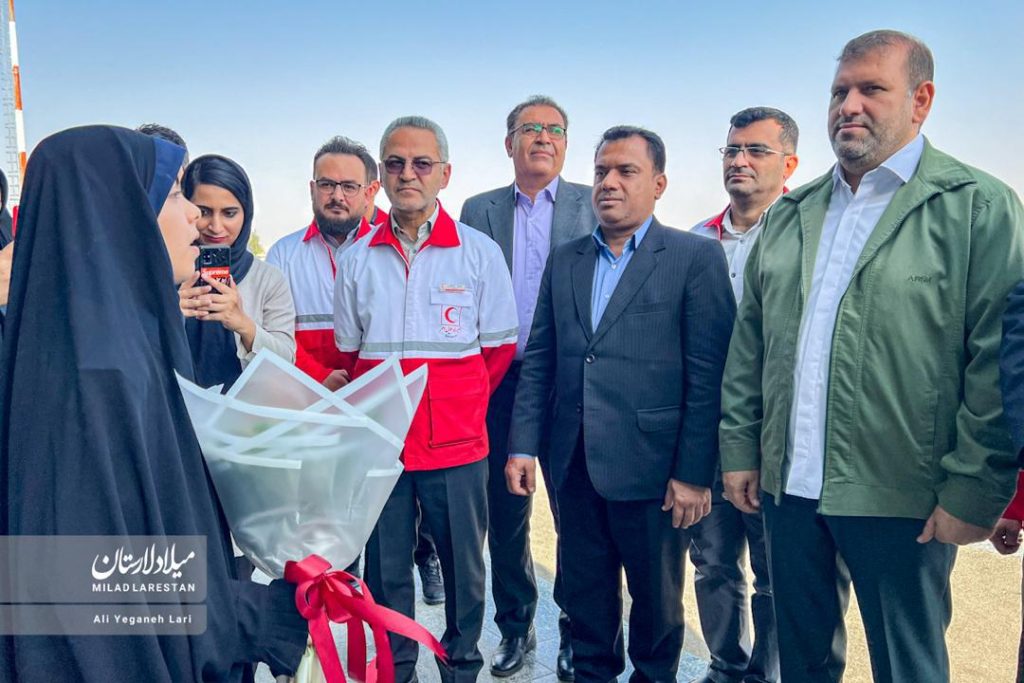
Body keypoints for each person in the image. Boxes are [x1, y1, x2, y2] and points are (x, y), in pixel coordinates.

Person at [719, 30, 1024, 683]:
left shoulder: (977, 206)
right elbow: (751, 345)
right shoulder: (792, 215)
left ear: (921, 100)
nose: (848, 105)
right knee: (801, 663)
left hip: (903, 495)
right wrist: (741, 447)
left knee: (908, 666)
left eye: (871, 89)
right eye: (839, 91)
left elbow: (996, 364)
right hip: (789, 489)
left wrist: (974, 489)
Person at [0, 125, 307, 681]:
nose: (195, 217)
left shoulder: (103, 342)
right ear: (117, 214)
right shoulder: (99, 375)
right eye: (172, 196)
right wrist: (254, 615)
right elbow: (91, 585)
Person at [507, 126, 735, 683]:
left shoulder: (694, 257)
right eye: (601, 171)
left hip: (654, 473)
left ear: (658, 184)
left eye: (626, 171)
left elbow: (709, 377)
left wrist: (694, 474)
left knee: (655, 607)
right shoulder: (567, 260)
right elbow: (541, 359)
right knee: (585, 597)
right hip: (575, 465)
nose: (608, 182)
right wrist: (522, 446)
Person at [334, 116, 518, 683]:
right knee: (387, 573)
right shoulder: (357, 259)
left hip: (456, 447)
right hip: (383, 446)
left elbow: (498, 351)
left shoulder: (478, 253)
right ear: (381, 175)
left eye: (421, 163)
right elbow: (350, 353)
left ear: (445, 173)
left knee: (464, 572)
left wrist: (454, 404)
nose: (407, 174)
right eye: (395, 163)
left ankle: (460, 668)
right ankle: (397, 670)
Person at [266, 136, 441, 589]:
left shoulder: (398, 249)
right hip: (313, 405)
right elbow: (276, 333)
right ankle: (335, 597)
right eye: (327, 184)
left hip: (379, 406)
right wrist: (319, 378)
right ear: (311, 189)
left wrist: (367, 385)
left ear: (371, 191)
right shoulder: (285, 254)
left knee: (390, 517)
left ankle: (422, 557)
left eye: (349, 186)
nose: (337, 196)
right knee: (326, 526)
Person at [459, 94, 594, 680]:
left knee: (575, 514)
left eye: (555, 129)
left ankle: (578, 629)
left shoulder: (592, 203)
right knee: (506, 512)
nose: (543, 137)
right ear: (508, 142)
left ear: (566, 143)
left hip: (570, 381)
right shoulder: (479, 209)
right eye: (530, 128)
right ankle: (516, 626)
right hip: (499, 380)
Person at [688, 106, 798, 683]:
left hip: (776, 435)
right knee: (712, 562)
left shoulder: (805, 238)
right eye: (732, 150)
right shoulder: (695, 242)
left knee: (776, 571)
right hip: (708, 434)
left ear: (789, 164)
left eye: (757, 150)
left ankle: (766, 672)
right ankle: (726, 663)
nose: (740, 160)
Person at [178, 154, 296, 390]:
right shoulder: (167, 271)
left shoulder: (267, 279)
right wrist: (173, 313)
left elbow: (286, 364)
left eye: (229, 213)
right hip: (174, 406)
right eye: (204, 211)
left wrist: (243, 324)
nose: (216, 226)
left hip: (246, 409)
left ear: (246, 213)